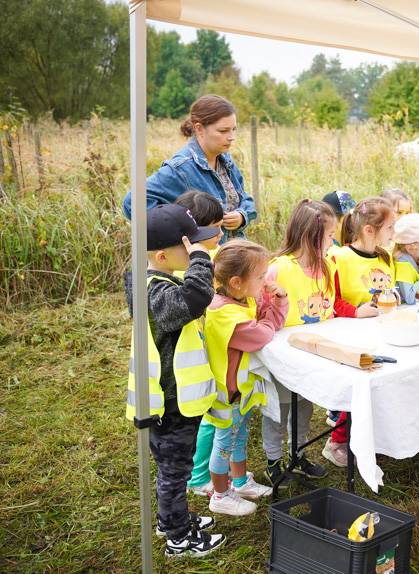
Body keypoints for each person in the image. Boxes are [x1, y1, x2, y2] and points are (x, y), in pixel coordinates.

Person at [123, 203, 225, 557]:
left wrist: (192, 254)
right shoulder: (156, 294)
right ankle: (178, 537)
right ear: (164, 256)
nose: (198, 249)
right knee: (174, 470)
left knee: (174, 468)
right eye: (189, 245)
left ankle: (174, 518)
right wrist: (201, 260)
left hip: (174, 398)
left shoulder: (148, 278)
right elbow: (196, 297)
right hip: (171, 402)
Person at [204, 240, 285, 516]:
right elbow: (263, 334)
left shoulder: (238, 300)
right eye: (261, 277)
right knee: (224, 443)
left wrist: (274, 301)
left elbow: (264, 319)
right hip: (226, 394)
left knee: (238, 437)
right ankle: (220, 494)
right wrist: (272, 313)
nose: (265, 281)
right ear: (237, 282)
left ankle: (239, 482)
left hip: (240, 390)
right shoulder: (227, 315)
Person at [263, 200, 339, 484]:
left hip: (313, 353)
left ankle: (299, 452)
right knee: (278, 409)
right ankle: (273, 460)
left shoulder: (327, 267)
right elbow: (261, 311)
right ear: (312, 236)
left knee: (304, 405)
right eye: (330, 236)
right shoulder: (278, 269)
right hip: (283, 356)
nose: (334, 242)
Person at [122, 95, 256, 242]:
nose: (231, 137)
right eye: (223, 131)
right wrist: (180, 230)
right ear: (199, 129)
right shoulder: (181, 168)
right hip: (204, 261)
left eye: (233, 129)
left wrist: (242, 216)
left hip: (234, 255)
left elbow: (245, 198)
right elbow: (133, 202)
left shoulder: (225, 160)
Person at [325, 197, 397, 466]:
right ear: (369, 230)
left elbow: (387, 291)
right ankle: (337, 441)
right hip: (349, 334)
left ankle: (370, 435)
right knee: (353, 390)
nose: (393, 234)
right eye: (389, 228)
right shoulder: (338, 257)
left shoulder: (384, 256)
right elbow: (330, 299)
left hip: (381, 331)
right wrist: (355, 311)